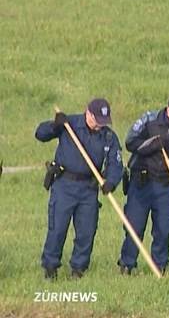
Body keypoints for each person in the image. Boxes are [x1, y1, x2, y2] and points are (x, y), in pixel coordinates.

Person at [35, 98, 123, 279]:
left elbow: (116, 163)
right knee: (57, 228)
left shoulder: (108, 137)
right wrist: (54, 125)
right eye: (97, 119)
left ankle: (79, 269)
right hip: (64, 185)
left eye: (103, 121)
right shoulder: (69, 125)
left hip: (89, 188)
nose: (100, 125)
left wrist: (111, 182)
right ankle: (50, 267)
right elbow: (40, 134)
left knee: (86, 231)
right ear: (88, 113)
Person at [118, 94, 169, 275]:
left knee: (164, 227)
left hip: (165, 186)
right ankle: (127, 264)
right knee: (134, 226)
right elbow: (130, 142)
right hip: (141, 183)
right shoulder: (149, 120)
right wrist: (150, 145)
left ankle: (159, 265)